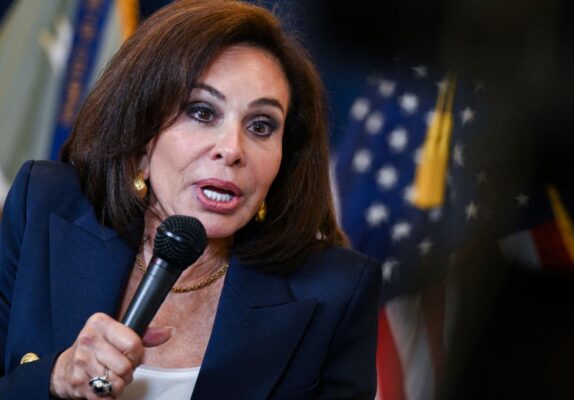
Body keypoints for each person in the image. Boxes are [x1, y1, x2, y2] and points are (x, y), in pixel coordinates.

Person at [0, 1, 381, 398]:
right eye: (202, 113)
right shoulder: (42, 208)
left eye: (261, 126)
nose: (232, 149)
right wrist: (54, 378)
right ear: (141, 138)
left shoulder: (336, 293)